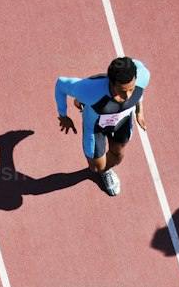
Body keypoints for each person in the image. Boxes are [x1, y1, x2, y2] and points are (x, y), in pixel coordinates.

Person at [55, 56, 150, 196]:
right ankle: (103, 171)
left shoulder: (143, 76)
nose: (128, 95)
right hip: (95, 127)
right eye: (122, 91)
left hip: (122, 121)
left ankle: (107, 170)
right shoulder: (89, 89)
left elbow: (139, 91)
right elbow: (61, 84)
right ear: (111, 82)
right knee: (95, 167)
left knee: (118, 154)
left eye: (131, 89)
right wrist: (63, 115)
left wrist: (139, 111)